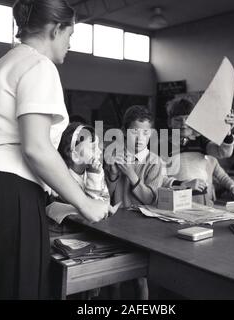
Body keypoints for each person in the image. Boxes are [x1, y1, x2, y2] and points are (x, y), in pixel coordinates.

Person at [0, 0, 111, 300]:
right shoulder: (39, 65)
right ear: (55, 29)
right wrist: (86, 204)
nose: (70, 45)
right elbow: (36, 148)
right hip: (10, 196)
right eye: (70, 36)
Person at [105, 105, 164, 300]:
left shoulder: (155, 162)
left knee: (140, 278)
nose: (139, 138)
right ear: (124, 132)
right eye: (134, 133)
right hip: (116, 226)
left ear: (151, 134)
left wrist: (130, 174)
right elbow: (108, 196)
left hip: (142, 228)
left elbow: (150, 199)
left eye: (145, 133)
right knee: (114, 280)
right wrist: (113, 175)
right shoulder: (116, 156)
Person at [162, 98, 234, 205]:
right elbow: (160, 178)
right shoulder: (163, 144)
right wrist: (183, 184)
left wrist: (227, 132)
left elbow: (223, 152)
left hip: (203, 197)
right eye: (178, 120)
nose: (183, 124)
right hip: (176, 198)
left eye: (188, 119)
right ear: (169, 122)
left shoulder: (201, 140)